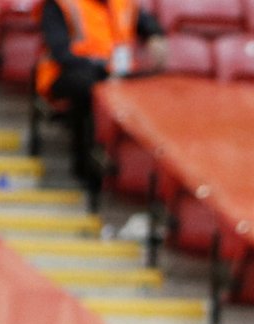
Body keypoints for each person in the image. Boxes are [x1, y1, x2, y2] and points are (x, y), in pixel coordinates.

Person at [36, 0, 167, 188]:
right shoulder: (62, 4)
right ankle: (86, 163)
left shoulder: (123, 4)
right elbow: (60, 51)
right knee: (87, 88)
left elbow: (145, 21)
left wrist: (155, 35)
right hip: (68, 73)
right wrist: (104, 71)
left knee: (156, 87)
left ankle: (144, 169)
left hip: (117, 73)